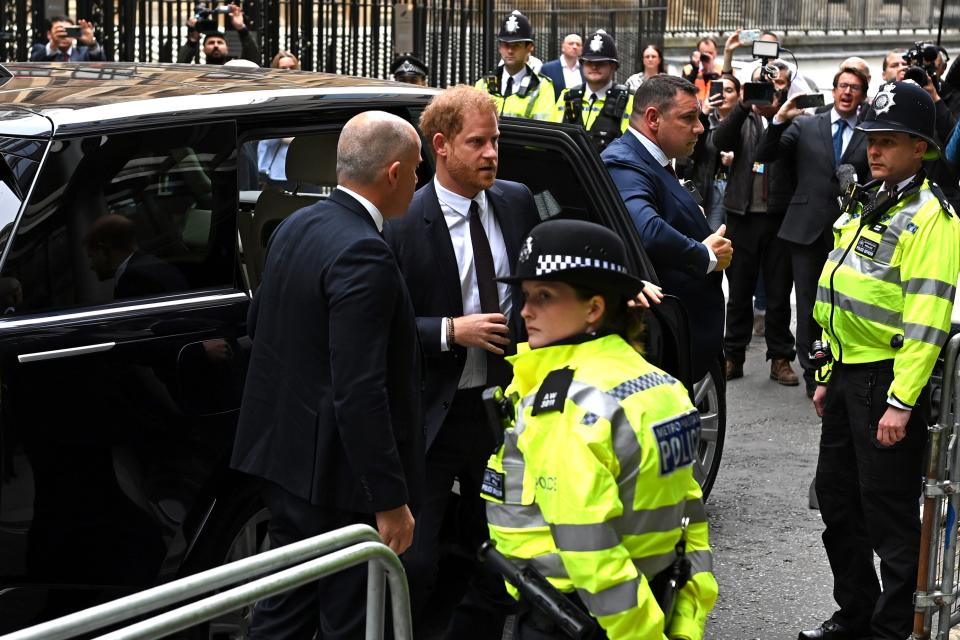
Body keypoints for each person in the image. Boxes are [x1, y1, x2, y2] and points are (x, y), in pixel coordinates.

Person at [231, 111, 424, 640]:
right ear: (392, 172)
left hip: (284, 460)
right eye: (415, 170)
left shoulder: (297, 223)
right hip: (339, 484)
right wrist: (389, 499)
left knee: (283, 612)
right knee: (351, 620)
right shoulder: (365, 252)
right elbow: (360, 390)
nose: (417, 181)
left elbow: (260, 325)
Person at [481, 218, 718, 640]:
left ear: (593, 309)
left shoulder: (566, 407)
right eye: (526, 295)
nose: (525, 311)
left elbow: (590, 551)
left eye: (545, 296)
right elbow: (690, 513)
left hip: (579, 616)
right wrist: (685, 619)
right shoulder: (663, 386)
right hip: (655, 594)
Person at [801, 80, 960, 640]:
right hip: (846, 375)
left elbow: (926, 322)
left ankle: (892, 629)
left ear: (921, 147)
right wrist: (825, 375)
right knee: (838, 506)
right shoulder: (869, 200)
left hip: (885, 384)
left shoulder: (931, 218)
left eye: (890, 140)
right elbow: (837, 293)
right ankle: (856, 614)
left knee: (888, 518)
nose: (874, 149)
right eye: (872, 138)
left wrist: (901, 402)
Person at [385, 85, 540, 638]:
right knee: (415, 557)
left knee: (500, 549)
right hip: (431, 414)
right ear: (441, 146)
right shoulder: (402, 221)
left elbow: (543, 283)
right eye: (478, 142)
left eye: (495, 140)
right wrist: (452, 331)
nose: (492, 153)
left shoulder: (515, 200)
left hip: (502, 410)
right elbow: (384, 325)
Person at [603, 74, 732, 384]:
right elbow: (646, 228)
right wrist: (704, 255)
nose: (700, 127)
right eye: (689, 118)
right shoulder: (624, 162)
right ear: (653, 119)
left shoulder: (657, 159)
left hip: (686, 338)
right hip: (660, 341)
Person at [756, 66, 870, 398]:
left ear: (863, 95)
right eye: (843, 86)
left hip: (848, 234)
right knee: (809, 305)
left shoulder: (868, 130)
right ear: (833, 91)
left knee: (842, 305)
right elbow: (766, 155)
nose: (847, 92)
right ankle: (814, 374)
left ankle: (842, 368)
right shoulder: (807, 124)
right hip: (805, 230)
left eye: (855, 88)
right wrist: (779, 119)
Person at [712, 71, 799, 386]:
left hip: (778, 216)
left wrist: (783, 113)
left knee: (778, 293)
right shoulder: (743, 120)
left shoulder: (789, 120)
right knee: (738, 292)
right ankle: (733, 355)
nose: (767, 94)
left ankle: (780, 358)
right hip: (742, 215)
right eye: (759, 88)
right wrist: (742, 107)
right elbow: (719, 141)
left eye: (773, 88)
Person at [550, 30, 632, 153]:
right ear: (582, 64)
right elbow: (553, 137)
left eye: (601, 62)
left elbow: (630, 148)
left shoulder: (627, 101)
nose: (594, 66)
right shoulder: (567, 97)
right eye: (589, 62)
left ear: (613, 66)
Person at [475, 10, 555, 120]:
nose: (510, 51)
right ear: (499, 47)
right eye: (505, 45)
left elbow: (544, 131)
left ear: (529, 47)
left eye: (516, 45)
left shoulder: (542, 87)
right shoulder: (483, 84)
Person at [85, 214, 188, 299]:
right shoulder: (151, 264)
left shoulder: (133, 282)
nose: (92, 266)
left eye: (92, 257)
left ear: (103, 248)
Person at [176, 4, 260, 65]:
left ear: (227, 48)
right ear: (204, 49)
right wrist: (192, 41)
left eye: (220, 42)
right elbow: (179, 68)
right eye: (211, 43)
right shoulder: (198, 71)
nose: (216, 45)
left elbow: (253, 62)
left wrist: (241, 28)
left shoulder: (235, 69)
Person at [29, 16, 106, 62]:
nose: (64, 35)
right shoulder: (40, 49)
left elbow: (101, 63)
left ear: (74, 35)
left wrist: (92, 44)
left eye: (68, 31)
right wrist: (53, 45)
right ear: (49, 34)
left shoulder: (84, 52)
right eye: (59, 31)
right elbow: (33, 62)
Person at [539, 33, 583, 99]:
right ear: (563, 47)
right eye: (571, 44)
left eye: (578, 44)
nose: (575, 47)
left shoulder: (585, 69)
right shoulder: (548, 69)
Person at [682, 37, 722, 101]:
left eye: (710, 53)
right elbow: (685, 92)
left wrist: (711, 72)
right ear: (698, 53)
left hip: (715, 107)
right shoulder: (688, 69)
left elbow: (720, 93)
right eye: (704, 53)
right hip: (696, 108)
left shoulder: (722, 70)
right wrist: (695, 68)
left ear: (716, 52)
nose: (708, 56)